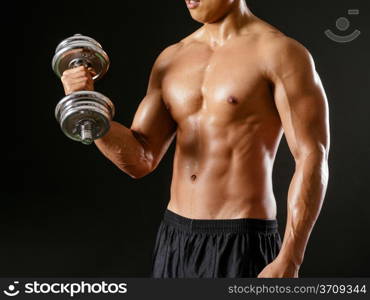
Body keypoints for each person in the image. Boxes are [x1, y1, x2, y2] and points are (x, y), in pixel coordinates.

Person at [60, 0, 330, 278]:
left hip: (241, 242)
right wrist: (84, 104)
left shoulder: (280, 53)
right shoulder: (171, 58)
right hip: (175, 238)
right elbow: (140, 160)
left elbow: (312, 155)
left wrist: (290, 259)